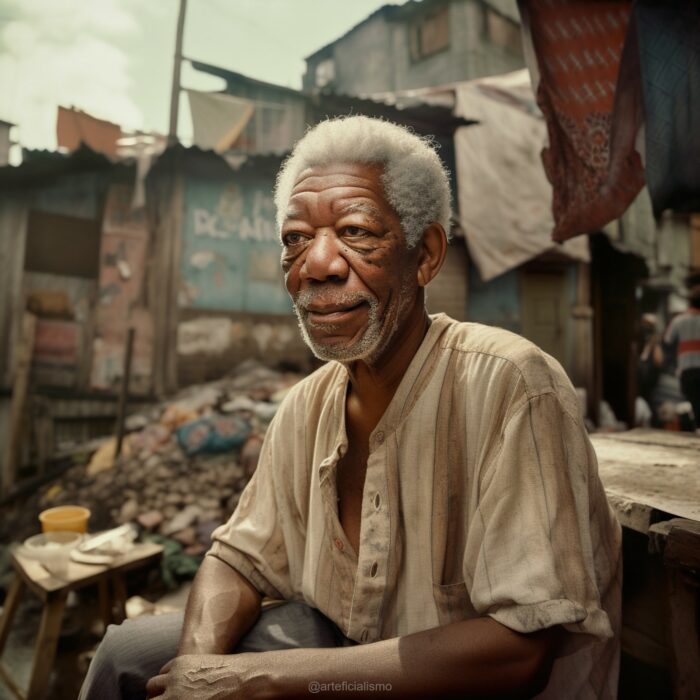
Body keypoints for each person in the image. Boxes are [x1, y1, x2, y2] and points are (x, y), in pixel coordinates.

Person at [80, 116, 621, 700]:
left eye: (357, 232)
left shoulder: (511, 385)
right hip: (341, 654)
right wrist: (197, 672)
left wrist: (261, 678)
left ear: (426, 255)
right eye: (295, 239)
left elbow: (521, 654)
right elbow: (237, 557)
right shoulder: (305, 407)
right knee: (126, 658)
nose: (318, 265)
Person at [664, 285, 700, 427]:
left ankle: (698, 428)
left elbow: (667, 342)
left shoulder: (678, 321)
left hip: (686, 371)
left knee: (694, 401)